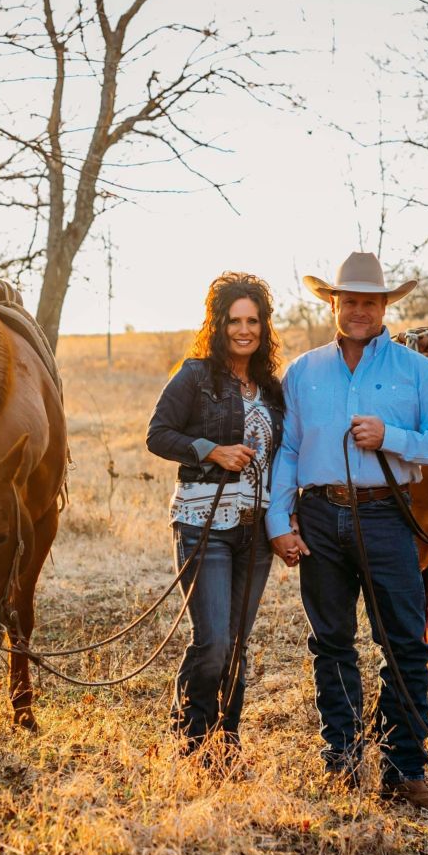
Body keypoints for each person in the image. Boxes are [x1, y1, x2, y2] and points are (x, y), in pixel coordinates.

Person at [265, 252, 428, 808]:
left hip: (385, 515)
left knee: (404, 644)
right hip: (319, 518)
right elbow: (286, 449)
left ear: (385, 307)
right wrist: (277, 519)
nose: (359, 311)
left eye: (370, 302)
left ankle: (404, 770)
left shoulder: (418, 372)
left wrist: (394, 436)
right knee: (331, 643)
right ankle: (343, 761)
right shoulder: (303, 372)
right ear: (333, 303)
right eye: (349, 300)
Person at [146, 271, 284, 760]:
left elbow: (281, 459)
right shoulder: (195, 375)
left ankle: (225, 743)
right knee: (214, 643)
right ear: (218, 324)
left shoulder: (271, 389)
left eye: (253, 320)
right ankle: (189, 740)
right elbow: (158, 434)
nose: (244, 330)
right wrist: (211, 450)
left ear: (264, 326)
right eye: (234, 320)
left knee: (237, 647)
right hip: (205, 525)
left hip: (257, 534)